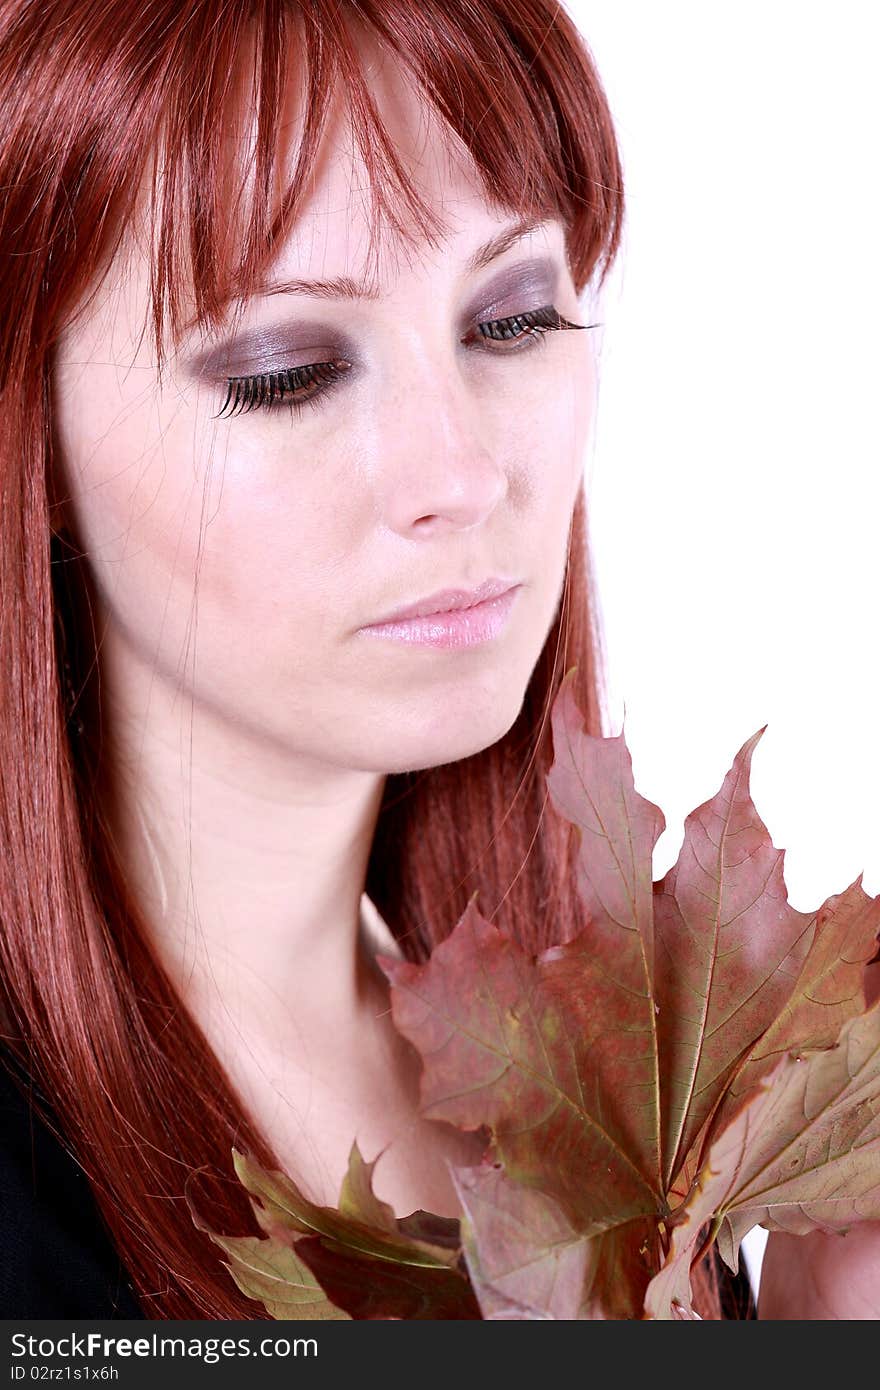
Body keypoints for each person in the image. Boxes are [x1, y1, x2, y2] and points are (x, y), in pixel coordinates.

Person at [0, 0, 867, 1321]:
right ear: (35, 440)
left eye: (514, 318)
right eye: (287, 371)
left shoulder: (623, 1101)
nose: (460, 474)